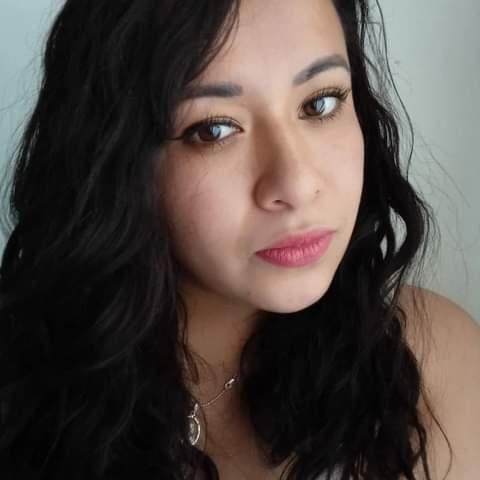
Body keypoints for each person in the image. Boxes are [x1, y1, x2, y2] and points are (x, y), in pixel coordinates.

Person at [0, 0, 478, 478]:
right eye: (214, 129)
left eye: (320, 102)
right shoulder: (24, 400)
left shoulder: (432, 364)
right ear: (113, 159)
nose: (296, 184)